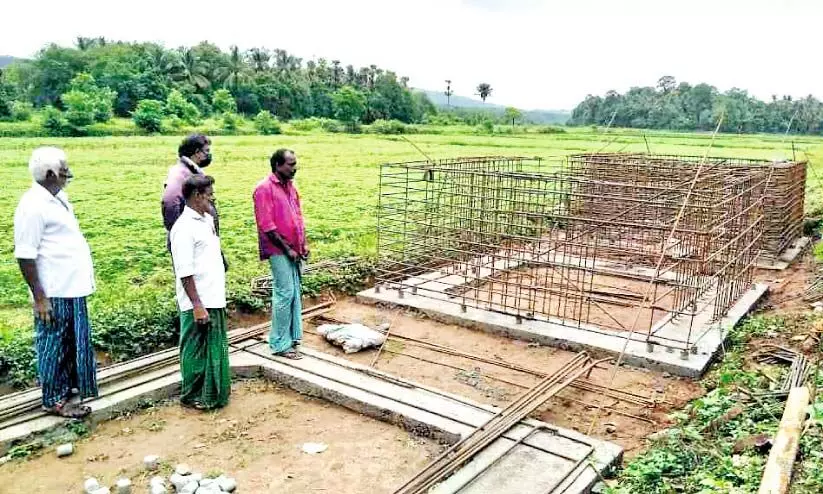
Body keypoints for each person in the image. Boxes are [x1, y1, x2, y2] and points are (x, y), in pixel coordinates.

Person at [14, 146, 98, 418]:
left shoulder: (58, 197)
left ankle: (68, 388)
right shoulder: (32, 206)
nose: (68, 174)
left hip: (71, 286)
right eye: (64, 170)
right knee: (53, 343)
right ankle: (54, 399)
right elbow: (25, 255)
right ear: (50, 173)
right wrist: (40, 298)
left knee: (71, 342)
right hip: (54, 289)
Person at [169, 174, 231, 410]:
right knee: (195, 349)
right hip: (199, 300)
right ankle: (193, 394)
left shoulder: (205, 220)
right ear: (197, 196)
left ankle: (212, 394)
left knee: (213, 345)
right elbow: (184, 271)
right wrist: (197, 304)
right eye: (209, 195)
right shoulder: (183, 229)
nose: (212, 199)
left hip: (213, 295)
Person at [253, 149, 308, 359]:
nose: (294, 168)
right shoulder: (264, 189)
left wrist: (304, 244)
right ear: (277, 165)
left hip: (294, 249)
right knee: (285, 293)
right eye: (290, 164)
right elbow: (267, 226)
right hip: (279, 250)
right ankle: (279, 343)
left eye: (295, 164)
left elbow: (298, 218)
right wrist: (288, 249)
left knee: (294, 292)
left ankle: (293, 338)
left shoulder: (291, 188)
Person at [161, 135, 227, 272]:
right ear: (197, 152)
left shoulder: (190, 172)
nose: (209, 155)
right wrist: (180, 233)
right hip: (193, 242)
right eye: (207, 151)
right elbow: (169, 202)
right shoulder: (180, 174)